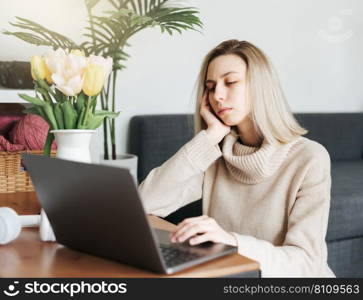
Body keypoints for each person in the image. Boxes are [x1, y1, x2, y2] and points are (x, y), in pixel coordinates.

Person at [138, 39, 335, 277]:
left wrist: (232, 241)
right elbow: (145, 202)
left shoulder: (309, 158)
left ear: (259, 87)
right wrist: (209, 137)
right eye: (210, 87)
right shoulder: (214, 154)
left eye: (230, 82)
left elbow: (305, 264)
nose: (217, 95)